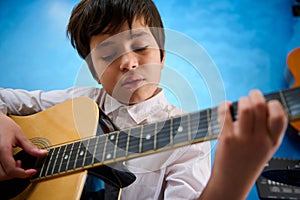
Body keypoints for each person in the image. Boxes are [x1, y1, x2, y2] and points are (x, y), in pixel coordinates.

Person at [0, 0, 287, 199]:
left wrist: (234, 175)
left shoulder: (188, 139)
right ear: (95, 73)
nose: (127, 62)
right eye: (108, 55)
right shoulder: (81, 100)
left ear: (162, 57)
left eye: (140, 47)